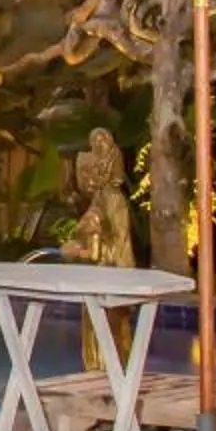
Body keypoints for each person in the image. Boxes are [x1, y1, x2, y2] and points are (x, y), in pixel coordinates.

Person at [60, 127, 139, 371]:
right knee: (114, 334)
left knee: (105, 333)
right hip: (114, 278)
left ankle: (107, 379)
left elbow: (95, 251)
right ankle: (116, 378)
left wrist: (71, 251)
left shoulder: (106, 202)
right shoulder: (114, 200)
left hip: (104, 280)